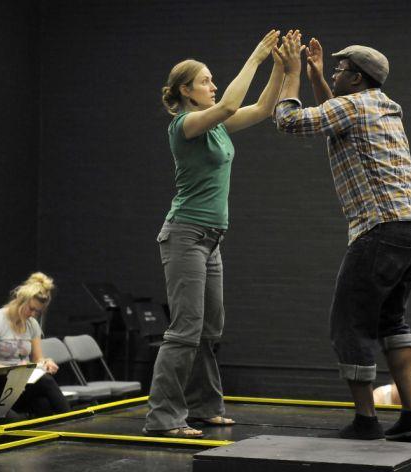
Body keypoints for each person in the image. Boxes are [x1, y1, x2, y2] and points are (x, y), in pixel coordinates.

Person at [274, 33, 411, 440]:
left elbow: (290, 122)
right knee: (390, 319)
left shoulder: (356, 106)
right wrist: (315, 77)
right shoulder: (378, 106)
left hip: (381, 228)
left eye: (341, 70)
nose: (334, 72)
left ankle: (366, 420)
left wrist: (291, 75)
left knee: (349, 324)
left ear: (359, 78)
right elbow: (335, 115)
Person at [143, 29, 285, 439]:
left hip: (211, 239)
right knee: (185, 329)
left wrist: (277, 66)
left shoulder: (218, 127)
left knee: (209, 330)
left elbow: (261, 107)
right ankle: (163, 417)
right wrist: (256, 57)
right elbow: (228, 105)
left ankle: (204, 407)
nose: (213, 84)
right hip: (184, 233)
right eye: (205, 80)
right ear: (187, 91)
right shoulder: (185, 124)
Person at [0, 272, 68, 417]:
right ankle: (71, 421)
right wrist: (13, 370)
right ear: (20, 300)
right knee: (46, 382)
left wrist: (46, 362)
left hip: (21, 384)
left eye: (37, 312)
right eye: (31, 309)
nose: (32, 314)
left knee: (43, 403)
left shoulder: (31, 324)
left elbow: (38, 359)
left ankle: (54, 434)